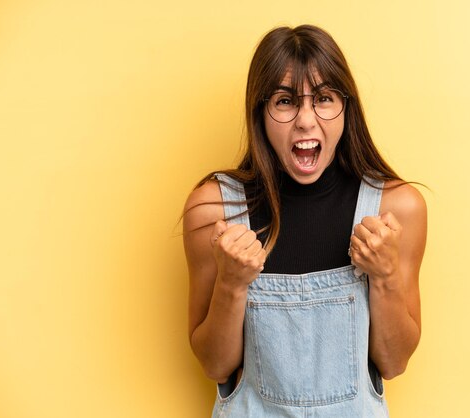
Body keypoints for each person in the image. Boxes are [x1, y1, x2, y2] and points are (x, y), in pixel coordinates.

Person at [182, 24, 427, 417]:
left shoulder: (396, 209)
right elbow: (214, 365)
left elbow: (394, 362)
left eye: (324, 99)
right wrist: (230, 283)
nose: (306, 121)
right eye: (285, 101)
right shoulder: (214, 212)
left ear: (346, 107)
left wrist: (384, 278)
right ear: (260, 111)